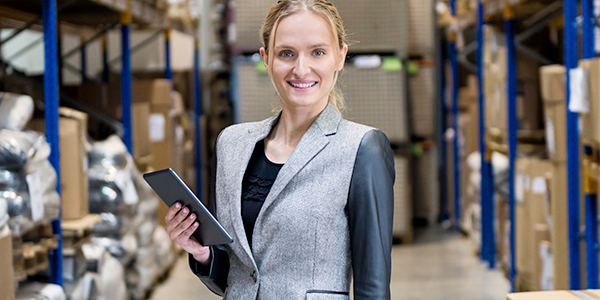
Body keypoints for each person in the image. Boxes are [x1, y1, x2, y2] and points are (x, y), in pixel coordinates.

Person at [164, 0, 395, 299]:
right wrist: (201, 252)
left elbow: (373, 288)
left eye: (318, 52)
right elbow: (234, 280)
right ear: (266, 58)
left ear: (340, 57)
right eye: (286, 53)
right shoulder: (231, 145)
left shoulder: (362, 149)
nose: (301, 69)